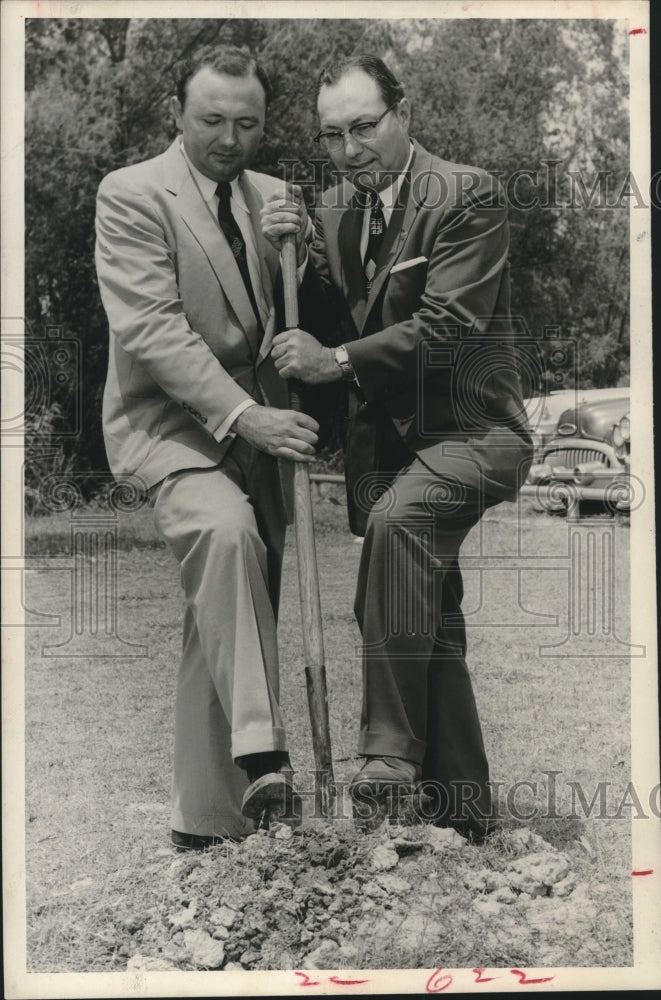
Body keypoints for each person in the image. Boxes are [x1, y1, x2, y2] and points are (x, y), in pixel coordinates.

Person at [261, 55, 534, 838]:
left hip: (475, 435)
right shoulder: (337, 207)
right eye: (332, 136)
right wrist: (290, 250)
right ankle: (462, 811)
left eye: (364, 127)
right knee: (420, 618)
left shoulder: (464, 193)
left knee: (399, 527)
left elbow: (445, 326)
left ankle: (386, 759)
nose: (349, 152)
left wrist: (334, 361)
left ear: (403, 113)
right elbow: (330, 312)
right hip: (389, 450)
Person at [95, 47, 318, 849]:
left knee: (225, 610)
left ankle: (206, 819)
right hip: (171, 425)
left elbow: (288, 314)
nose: (229, 137)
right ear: (177, 113)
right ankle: (263, 751)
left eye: (246, 122)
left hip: (263, 430)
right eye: (211, 119)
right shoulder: (130, 194)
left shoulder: (275, 199)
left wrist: (298, 249)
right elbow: (153, 330)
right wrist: (243, 416)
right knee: (224, 536)